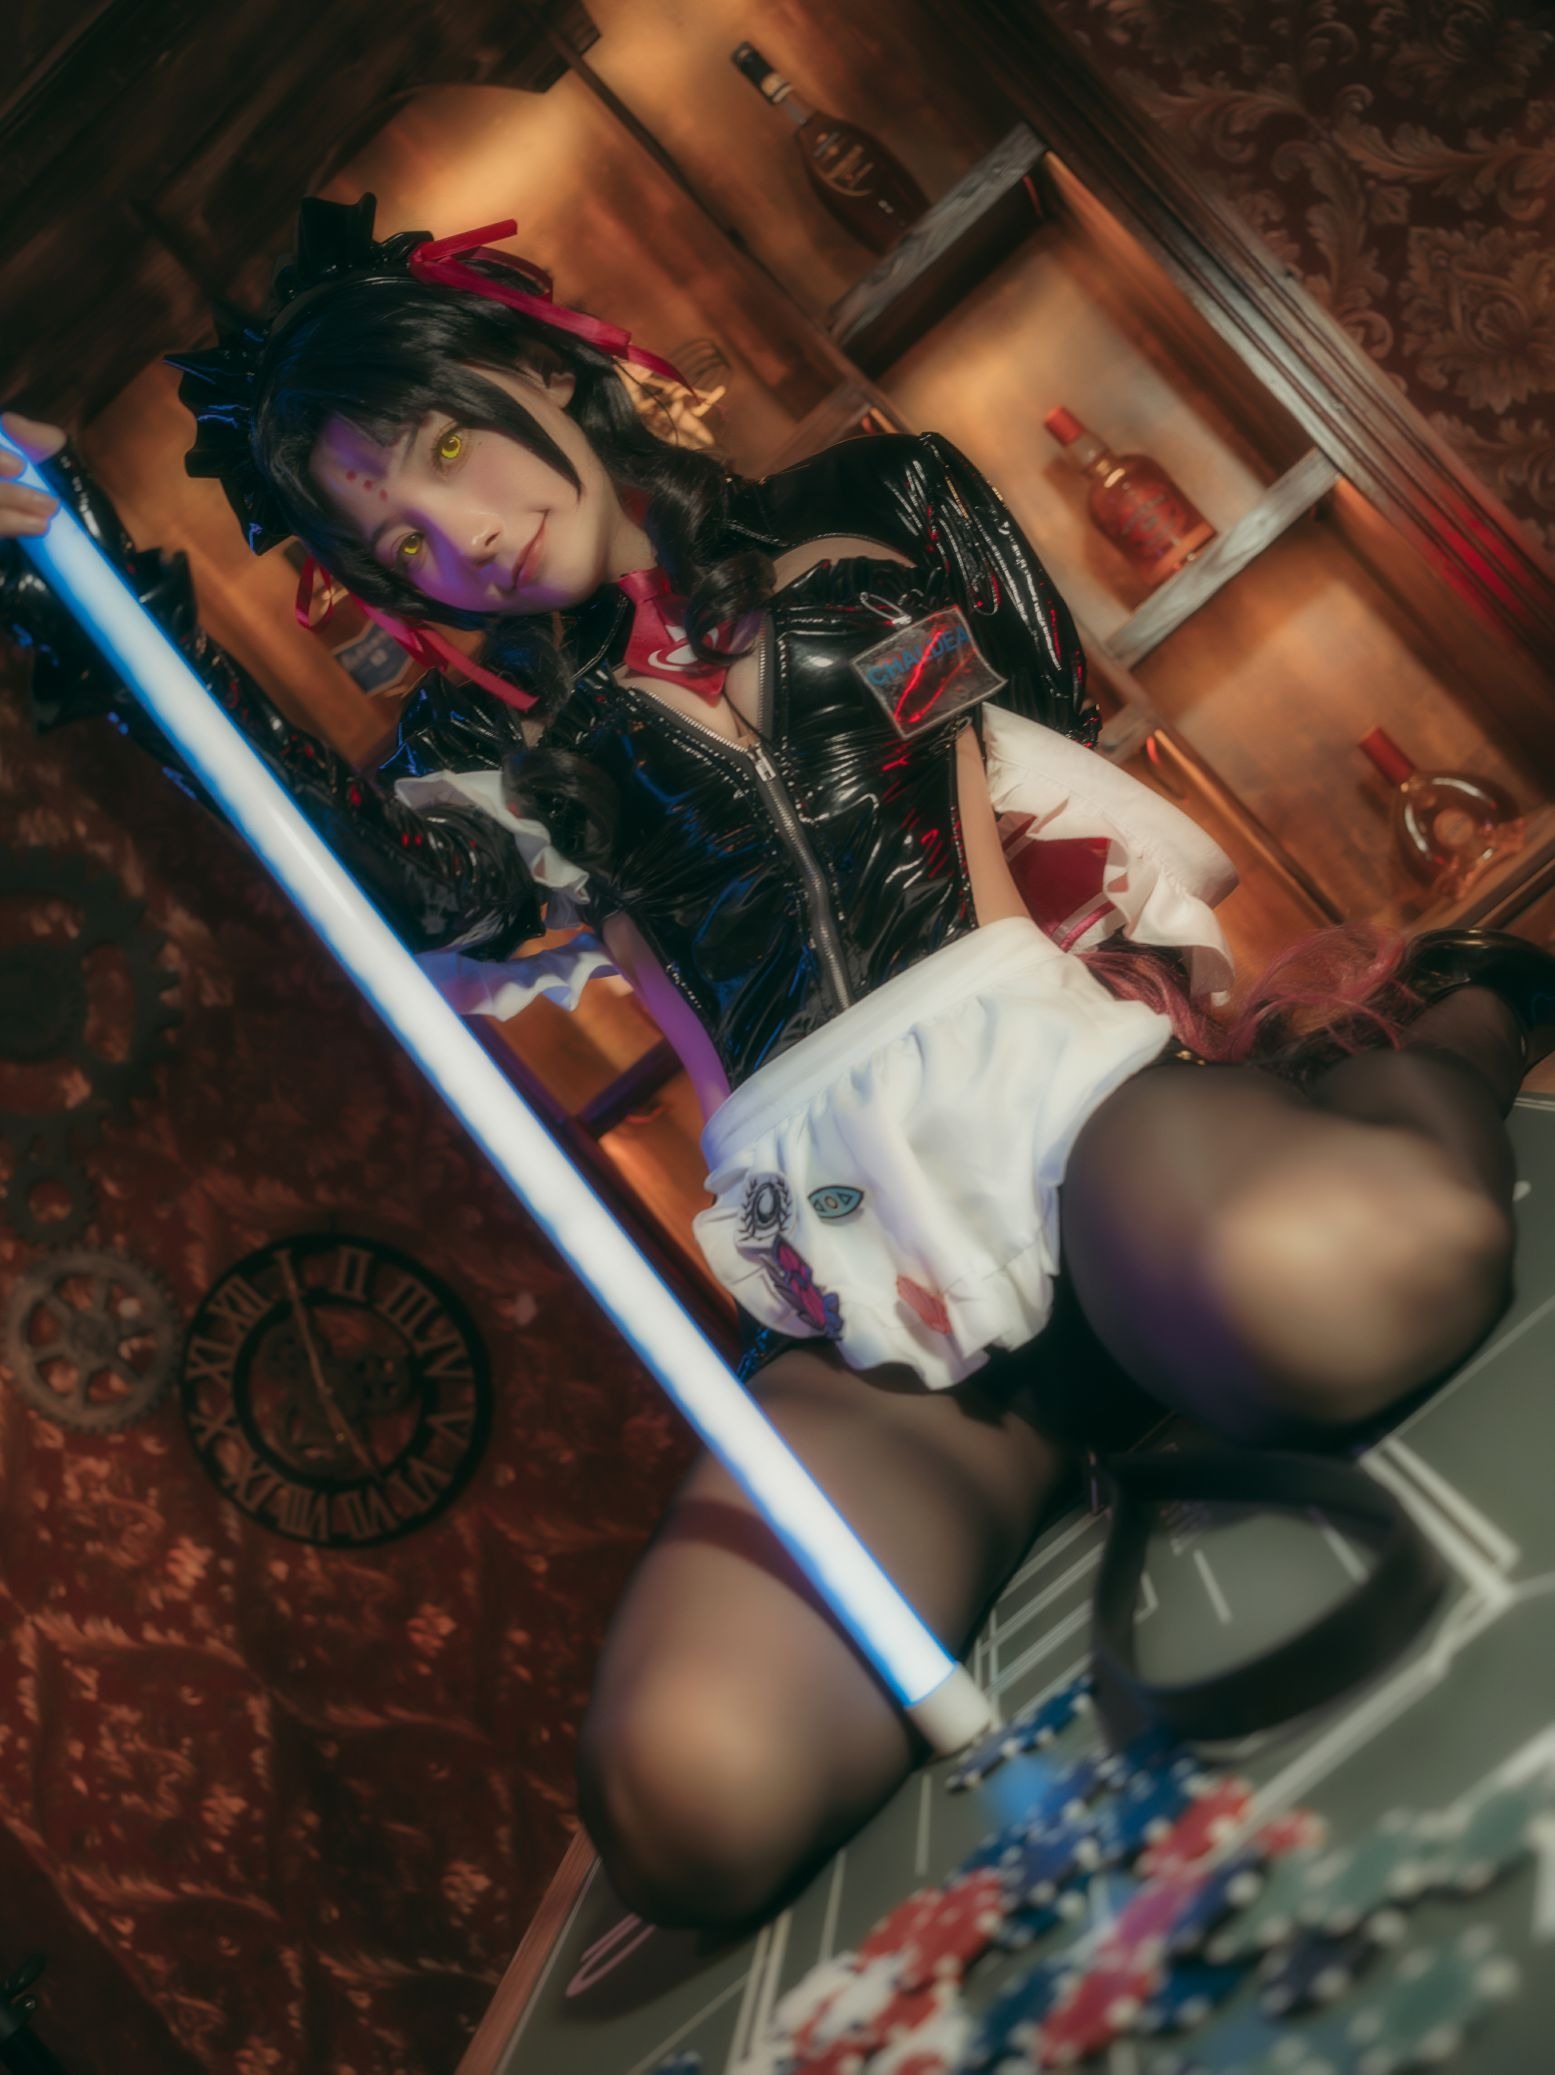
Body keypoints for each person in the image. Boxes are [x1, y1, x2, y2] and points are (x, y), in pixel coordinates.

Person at [3, 193, 1551, 1935]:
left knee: (1347, 1283)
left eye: (446, 445)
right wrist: (96, 601)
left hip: (1078, 1112)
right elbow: (390, 880)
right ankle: (1088, 1388)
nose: (462, 534)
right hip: (860, 1264)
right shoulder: (484, 750)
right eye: (393, 536)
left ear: (536, 367)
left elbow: (1040, 725)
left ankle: (1454, 1014)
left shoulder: (881, 506)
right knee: (693, 1791)